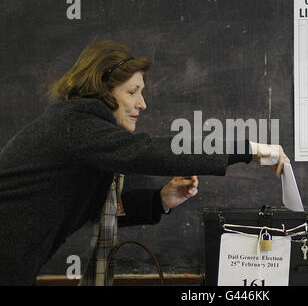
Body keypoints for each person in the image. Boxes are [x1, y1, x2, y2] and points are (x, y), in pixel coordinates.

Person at [0, 40, 289, 285]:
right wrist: (248, 149)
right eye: (131, 91)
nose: (142, 103)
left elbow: (96, 210)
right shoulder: (77, 124)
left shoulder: (83, 132)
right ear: (102, 90)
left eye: (142, 91)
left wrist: (161, 199)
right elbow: (151, 151)